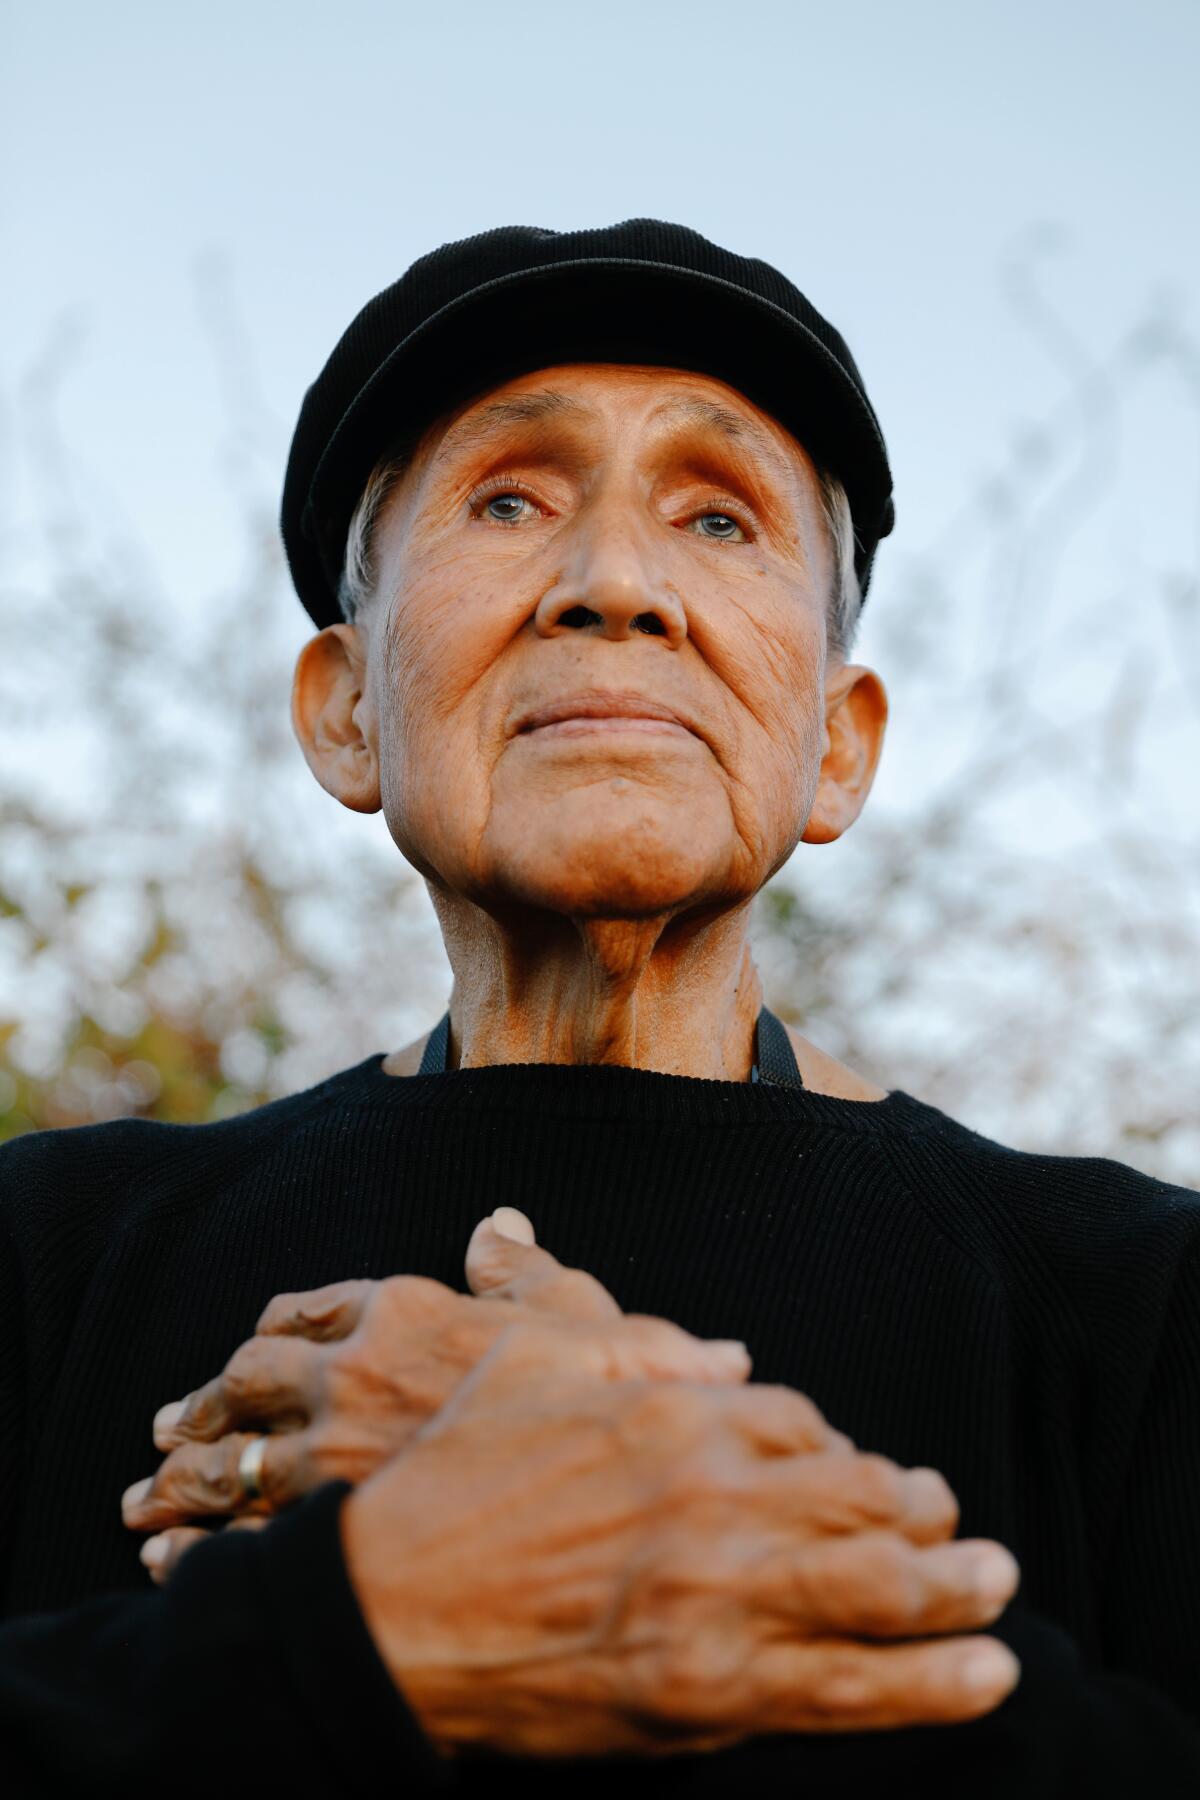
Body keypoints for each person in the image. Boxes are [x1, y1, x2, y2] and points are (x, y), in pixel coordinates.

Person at [2, 220, 1198, 1796]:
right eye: (509, 500)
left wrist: (664, 1500)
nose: (617, 583)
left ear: (837, 746)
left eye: (719, 517)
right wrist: (352, 1624)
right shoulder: (47, 1253)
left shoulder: (1144, 1302)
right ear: (347, 710)